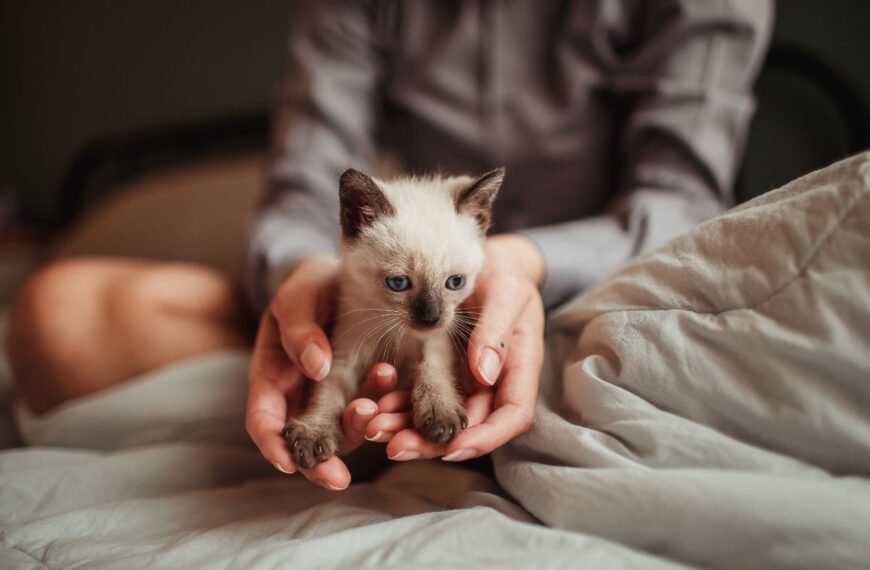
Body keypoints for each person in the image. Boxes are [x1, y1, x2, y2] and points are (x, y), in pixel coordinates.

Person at [5, 1, 772, 491]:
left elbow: (686, 210)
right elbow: (306, 190)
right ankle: (367, 422)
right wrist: (305, 273)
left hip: (588, 289)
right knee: (57, 310)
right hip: (380, 292)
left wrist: (523, 262)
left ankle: (400, 428)